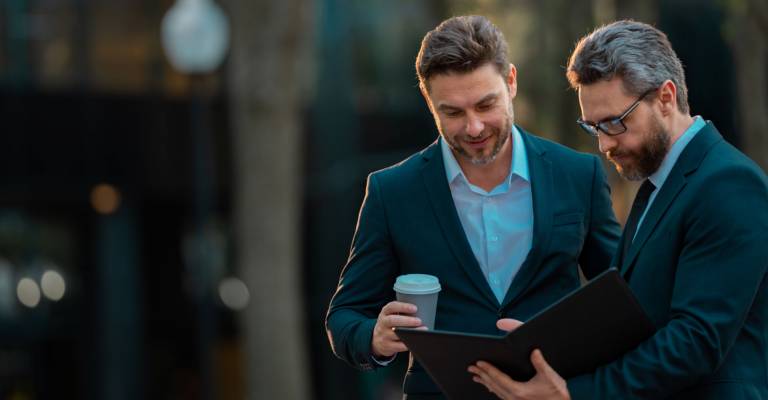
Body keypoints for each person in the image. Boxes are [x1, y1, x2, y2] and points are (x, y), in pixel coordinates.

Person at [469, 20, 768, 399]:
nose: (604, 145)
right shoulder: (660, 184)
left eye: (614, 123)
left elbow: (696, 341)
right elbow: (632, 318)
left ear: (665, 97)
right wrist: (544, 343)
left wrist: (573, 394)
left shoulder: (728, 184)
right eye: (594, 128)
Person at [325, 15, 620, 399]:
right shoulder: (392, 191)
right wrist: (375, 338)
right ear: (429, 102)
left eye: (486, 104)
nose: (475, 127)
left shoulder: (578, 174)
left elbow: (619, 297)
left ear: (511, 82)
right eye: (453, 112)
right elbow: (344, 316)